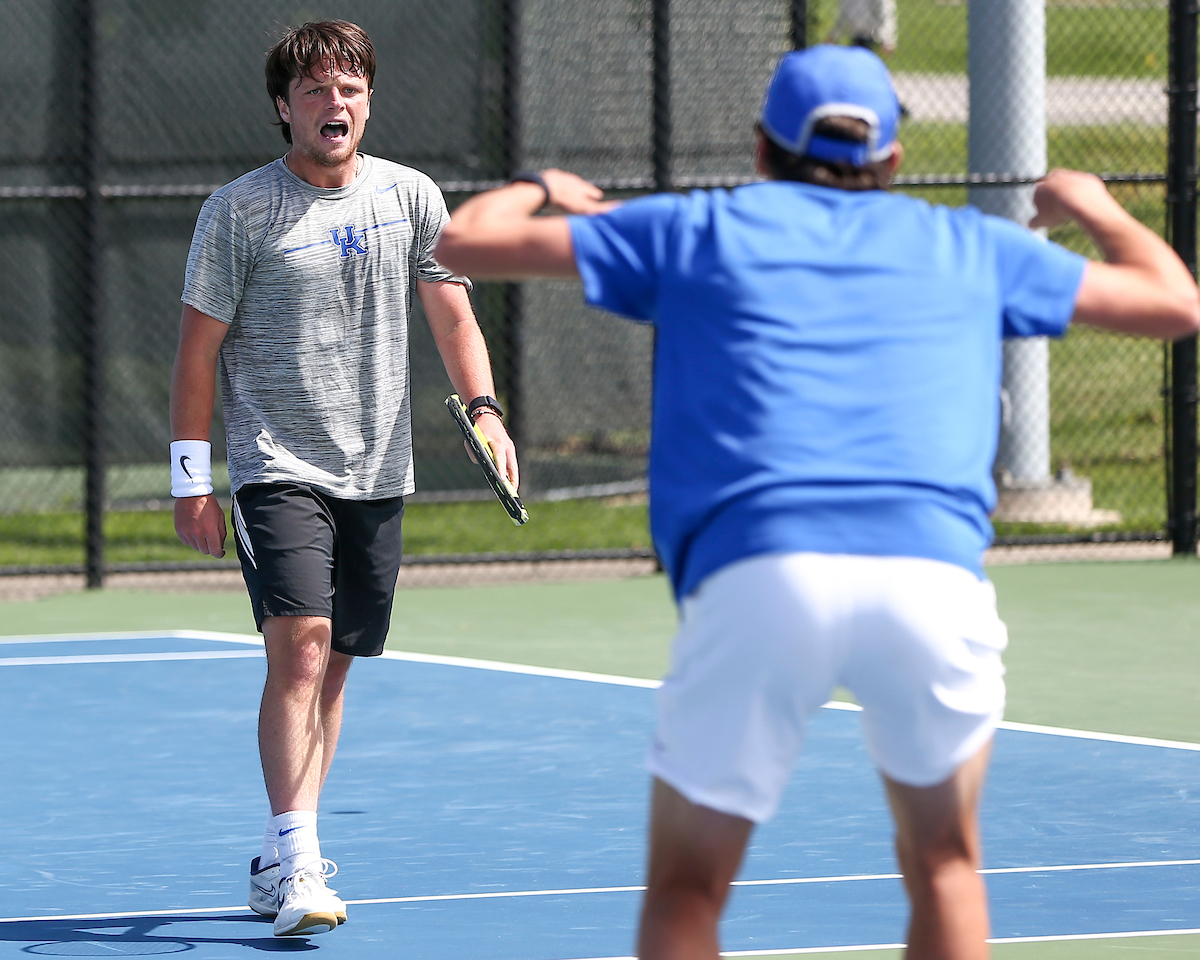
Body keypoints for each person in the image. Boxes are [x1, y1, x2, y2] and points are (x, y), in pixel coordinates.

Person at [433, 44, 1199, 960]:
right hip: (931, 583)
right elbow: (1175, 303)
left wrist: (541, 183)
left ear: (761, 150)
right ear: (893, 162)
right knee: (947, 864)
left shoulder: (693, 229)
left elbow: (462, 240)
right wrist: (1091, 204)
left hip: (760, 578)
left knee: (687, 889)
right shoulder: (967, 245)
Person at [170, 20, 517, 938]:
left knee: (337, 670)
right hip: (275, 465)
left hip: (377, 466)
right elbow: (197, 353)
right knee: (304, 641)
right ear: (284, 107)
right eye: (317, 89)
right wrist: (189, 479)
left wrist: (484, 409)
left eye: (351, 87)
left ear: (368, 100)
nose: (336, 103)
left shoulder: (411, 198)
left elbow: (452, 320)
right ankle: (300, 866)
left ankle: (285, 848)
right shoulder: (238, 212)